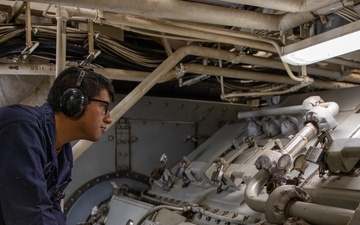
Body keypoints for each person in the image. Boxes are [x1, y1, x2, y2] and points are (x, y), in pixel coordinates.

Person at [0, 66, 115, 225]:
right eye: (104, 107)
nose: (109, 118)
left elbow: (51, 210)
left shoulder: (62, 154)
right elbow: (30, 214)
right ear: (75, 102)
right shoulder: (21, 128)